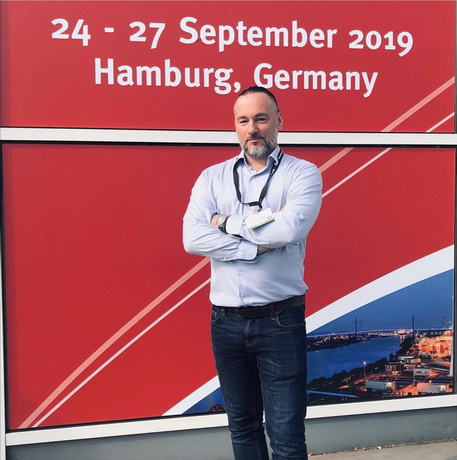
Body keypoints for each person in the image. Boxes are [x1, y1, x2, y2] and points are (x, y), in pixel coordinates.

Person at [183, 86, 322, 460]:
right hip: (225, 322)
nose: (252, 129)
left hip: (280, 320)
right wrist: (252, 246)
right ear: (235, 126)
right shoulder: (212, 178)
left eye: (261, 118)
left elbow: (289, 229)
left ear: (279, 121)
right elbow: (192, 238)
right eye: (243, 120)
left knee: (286, 436)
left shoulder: (302, 174)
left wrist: (226, 223)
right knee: (242, 428)